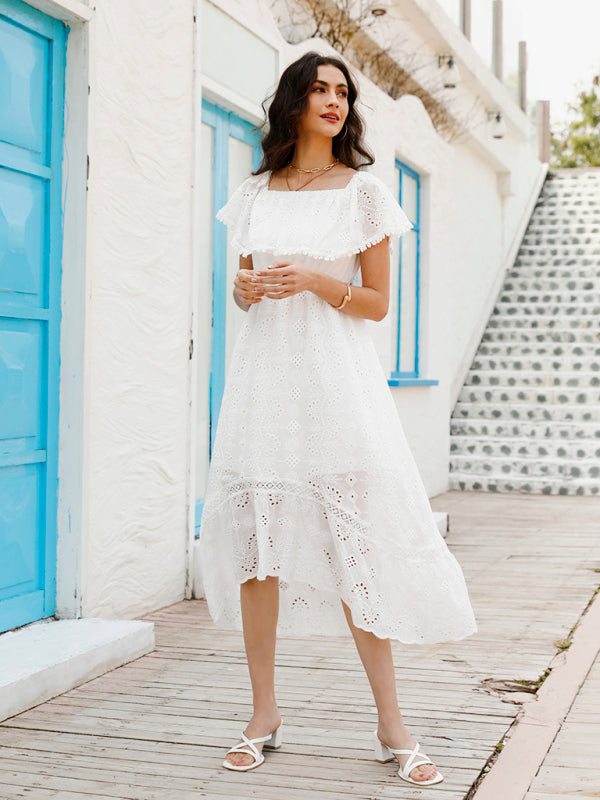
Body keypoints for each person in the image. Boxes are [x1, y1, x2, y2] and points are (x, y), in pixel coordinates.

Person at [198, 51, 477, 787]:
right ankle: (264, 714)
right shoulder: (254, 193)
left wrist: (319, 280)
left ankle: (392, 724)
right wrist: (245, 290)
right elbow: (246, 292)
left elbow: (379, 303)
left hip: (339, 393)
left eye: (343, 92)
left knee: (357, 554)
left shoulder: (365, 193)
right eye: (320, 89)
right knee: (259, 556)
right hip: (264, 391)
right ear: (293, 101)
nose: (333, 101)